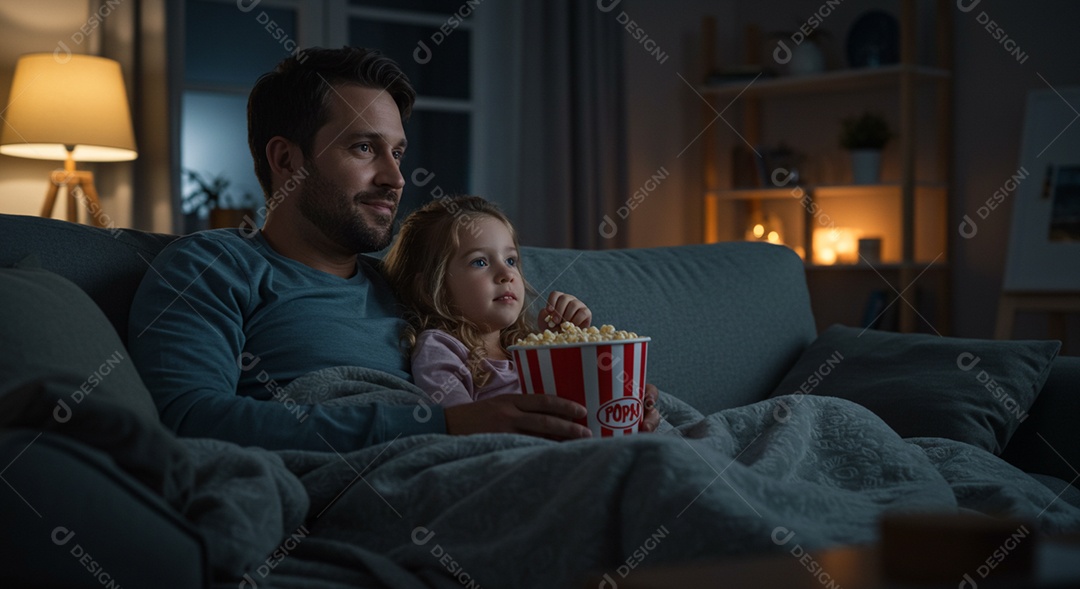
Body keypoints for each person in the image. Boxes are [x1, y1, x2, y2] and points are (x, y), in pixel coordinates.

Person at [128, 46, 658, 452]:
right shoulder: (211, 267)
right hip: (385, 477)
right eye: (364, 148)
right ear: (287, 160)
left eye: (398, 152)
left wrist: (607, 403)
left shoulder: (412, 285)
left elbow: (496, 363)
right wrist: (443, 423)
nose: (395, 178)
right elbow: (189, 419)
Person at [382, 195, 595, 407]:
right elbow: (459, 421)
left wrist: (565, 344)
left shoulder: (529, 347)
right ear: (430, 289)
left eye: (511, 260)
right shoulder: (441, 348)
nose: (506, 273)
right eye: (480, 262)